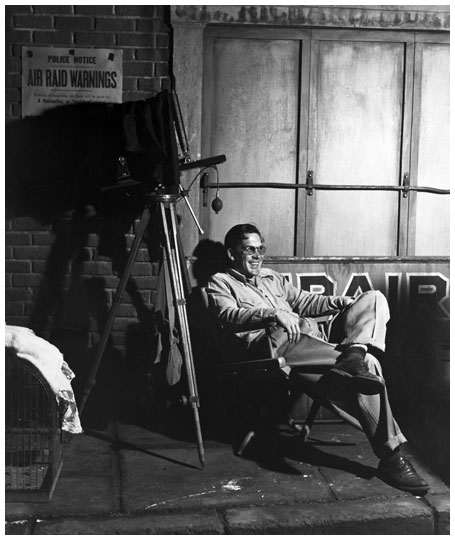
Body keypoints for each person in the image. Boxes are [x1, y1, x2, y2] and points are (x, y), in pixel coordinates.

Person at [206, 223, 429, 495]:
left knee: (373, 301)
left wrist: (343, 302)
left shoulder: (272, 278)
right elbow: (226, 317)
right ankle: (351, 361)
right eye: (248, 250)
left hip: (310, 347)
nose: (257, 255)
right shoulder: (220, 282)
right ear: (232, 254)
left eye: (260, 248)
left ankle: (390, 455)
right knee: (291, 334)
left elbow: (306, 301)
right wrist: (272, 314)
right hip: (271, 348)